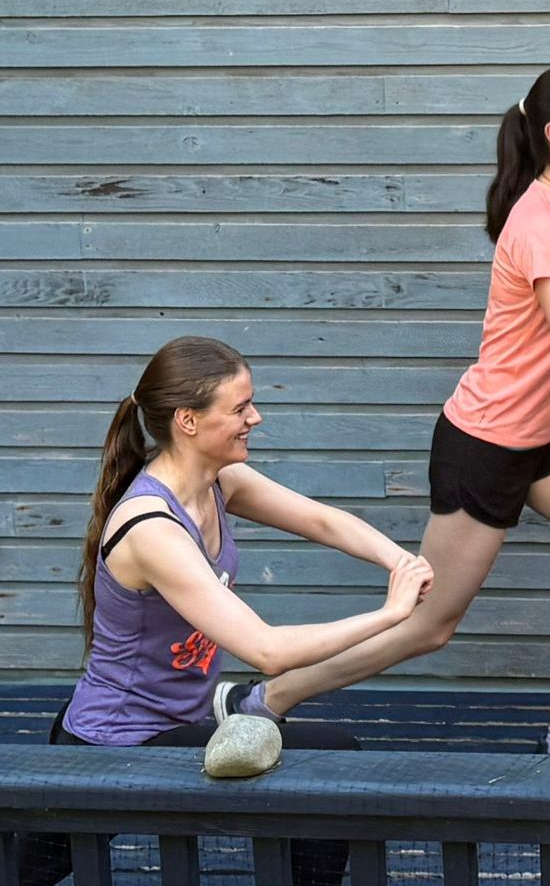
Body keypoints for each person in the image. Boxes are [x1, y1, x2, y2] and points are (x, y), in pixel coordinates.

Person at [218, 65, 550, 755]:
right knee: (430, 623)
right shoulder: (538, 223)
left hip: (540, 434)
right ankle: (270, 695)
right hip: (485, 443)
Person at [20, 335, 434, 886]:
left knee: (331, 769)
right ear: (188, 421)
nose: (255, 418)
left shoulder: (220, 482)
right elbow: (268, 650)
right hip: (116, 745)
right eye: (240, 408)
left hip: (181, 722)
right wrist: (391, 613)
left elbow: (323, 521)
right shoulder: (152, 529)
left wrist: (400, 561)